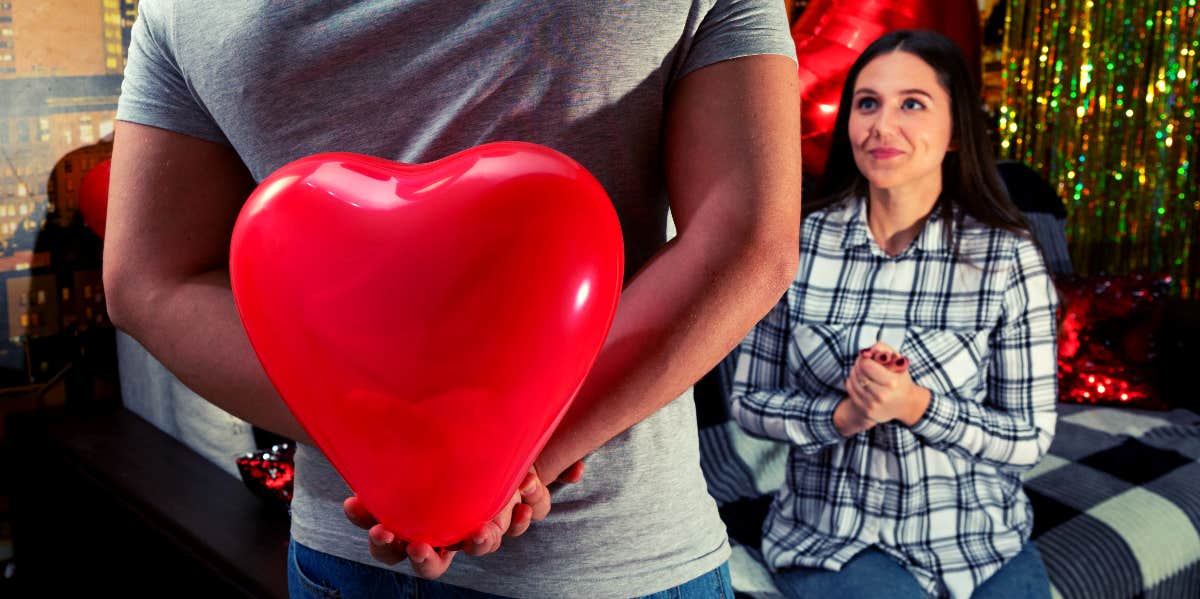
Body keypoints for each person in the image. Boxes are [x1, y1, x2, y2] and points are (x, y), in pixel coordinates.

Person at [104, 2, 802, 598]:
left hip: (350, 553)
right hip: (613, 561)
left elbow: (150, 280)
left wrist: (414, 464)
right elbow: (746, 240)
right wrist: (496, 466)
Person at [730, 30, 1058, 599]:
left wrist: (916, 406)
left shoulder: (1007, 258)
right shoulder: (794, 245)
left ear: (957, 131)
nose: (882, 125)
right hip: (831, 540)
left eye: (912, 103)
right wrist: (842, 416)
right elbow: (748, 402)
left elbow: (1029, 435)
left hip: (979, 540)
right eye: (867, 103)